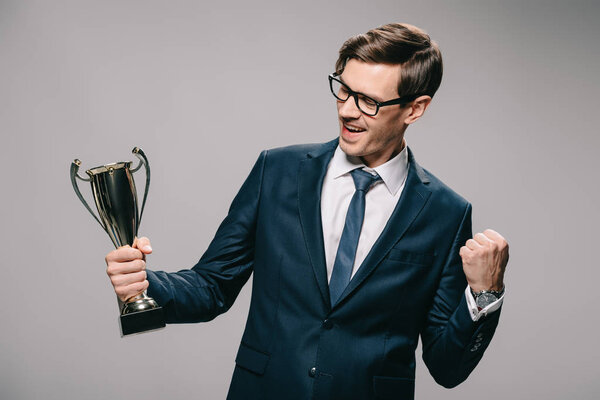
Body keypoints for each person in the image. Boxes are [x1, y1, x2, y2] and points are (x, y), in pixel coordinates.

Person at [105, 23, 509, 400]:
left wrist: (485, 294)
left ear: (415, 109)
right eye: (343, 90)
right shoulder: (276, 172)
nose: (348, 111)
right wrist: (144, 284)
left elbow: (446, 368)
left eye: (368, 101)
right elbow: (212, 288)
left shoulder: (446, 213)